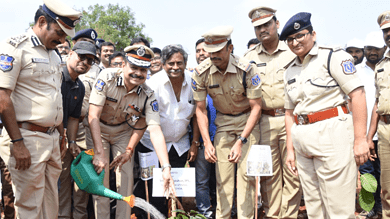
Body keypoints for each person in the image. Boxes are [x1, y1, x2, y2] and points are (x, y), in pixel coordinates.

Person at [281, 12, 370, 218]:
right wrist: (291, 150)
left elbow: (357, 95)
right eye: (290, 40)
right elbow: (288, 112)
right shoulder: (289, 70)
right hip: (302, 138)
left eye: (300, 36)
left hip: (332, 134)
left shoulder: (332, 56)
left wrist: (360, 140)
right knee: (314, 208)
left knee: (338, 208)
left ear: (313, 33)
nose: (295, 42)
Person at [0, 0, 82, 218]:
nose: (62, 40)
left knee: (50, 207)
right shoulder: (14, 47)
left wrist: (61, 133)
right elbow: (2, 97)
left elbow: (54, 97)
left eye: (65, 35)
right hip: (26, 138)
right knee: (29, 208)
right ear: (42, 21)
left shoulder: (54, 53)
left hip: (51, 139)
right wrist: (17, 143)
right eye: (58, 32)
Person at [88, 44, 176, 219]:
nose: (138, 73)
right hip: (99, 131)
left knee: (125, 183)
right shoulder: (106, 77)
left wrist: (166, 167)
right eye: (133, 67)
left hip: (123, 133)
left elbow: (154, 129)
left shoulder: (148, 94)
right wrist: (99, 152)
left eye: (143, 69)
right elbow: (93, 115)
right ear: (123, 66)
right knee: (101, 184)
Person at [192, 26, 262, 219]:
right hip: (223, 124)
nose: (213, 56)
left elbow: (256, 107)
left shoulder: (247, 68)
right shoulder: (200, 72)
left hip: (247, 123)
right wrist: (206, 142)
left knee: (246, 178)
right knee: (223, 179)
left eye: (218, 52)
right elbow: (200, 109)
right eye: (210, 52)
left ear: (230, 48)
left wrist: (241, 140)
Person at [244, 6, 302, 219]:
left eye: (266, 24)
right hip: (264, 121)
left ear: (277, 24)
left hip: (292, 120)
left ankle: (289, 215)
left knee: (293, 171)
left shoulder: (293, 50)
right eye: (257, 27)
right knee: (269, 175)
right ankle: (274, 214)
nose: (262, 30)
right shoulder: (248, 57)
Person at [134, 44, 199, 218]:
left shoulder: (194, 81)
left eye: (179, 63)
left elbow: (198, 115)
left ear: (185, 63)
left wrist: (195, 143)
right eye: (170, 63)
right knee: (151, 188)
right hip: (151, 144)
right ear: (163, 65)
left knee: (175, 188)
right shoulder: (153, 84)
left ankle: (173, 216)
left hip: (180, 144)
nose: (175, 67)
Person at [58, 41, 98, 219]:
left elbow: (74, 118)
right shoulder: (55, 76)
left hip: (65, 138)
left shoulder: (79, 86)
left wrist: (71, 141)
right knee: (59, 185)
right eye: (82, 57)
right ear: (70, 54)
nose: (85, 62)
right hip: (46, 134)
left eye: (90, 60)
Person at [356, 31, 386, 219]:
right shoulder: (355, 71)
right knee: (367, 174)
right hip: (362, 132)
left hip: (383, 131)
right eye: (369, 48)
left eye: (376, 48)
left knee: (385, 173)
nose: (372, 52)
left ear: (384, 48)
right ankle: (369, 208)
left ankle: (383, 209)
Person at [367, 10, 390, 219]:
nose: (389, 34)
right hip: (384, 129)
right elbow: (377, 103)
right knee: (387, 187)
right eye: (385, 31)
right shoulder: (380, 67)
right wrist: (369, 137)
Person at [193, 38, 216, 219]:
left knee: (223, 179)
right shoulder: (191, 77)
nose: (201, 53)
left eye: (205, 50)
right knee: (202, 181)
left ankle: (227, 212)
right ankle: (204, 214)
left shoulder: (221, 74)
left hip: (222, 136)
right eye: (198, 50)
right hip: (201, 140)